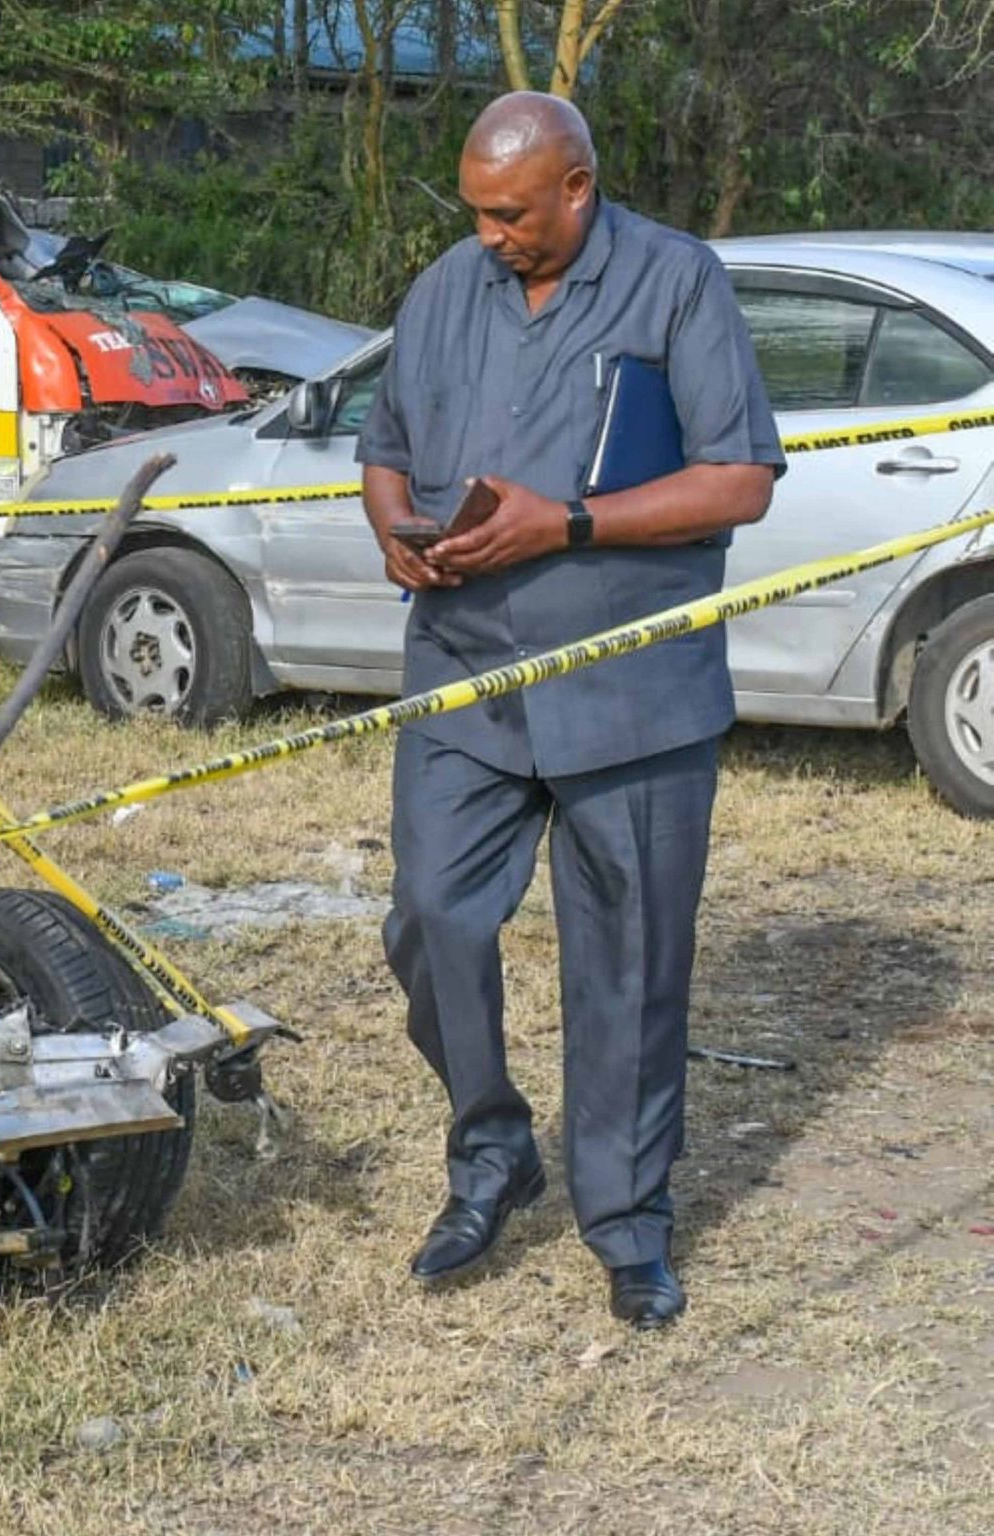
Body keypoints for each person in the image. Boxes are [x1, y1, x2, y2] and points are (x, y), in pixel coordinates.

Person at [354, 92, 783, 1329]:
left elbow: (739, 481)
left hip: (630, 692)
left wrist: (570, 524)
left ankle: (628, 1222)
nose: (489, 235)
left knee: (627, 961)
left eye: (511, 214)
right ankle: (492, 1152)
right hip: (465, 678)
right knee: (429, 919)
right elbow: (384, 451)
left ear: (577, 187)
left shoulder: (677, 283)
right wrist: (395, 531)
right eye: (476, 212)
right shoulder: (445, 288)